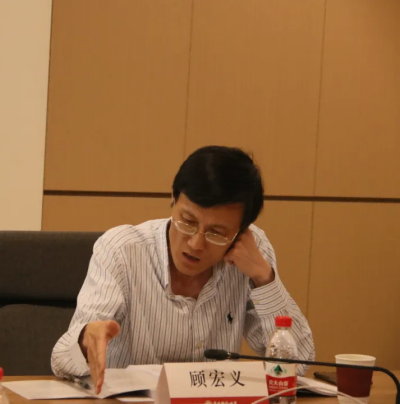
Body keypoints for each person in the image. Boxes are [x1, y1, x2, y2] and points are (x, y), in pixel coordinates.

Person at [50, 145, 315, 393]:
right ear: (173, 199)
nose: (196, 243)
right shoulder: (122, 251)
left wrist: (264, 278)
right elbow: (62, 361)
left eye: (216, 233)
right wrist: (85, 340)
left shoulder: (252, 254)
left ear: (240, 234)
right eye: (187, 221)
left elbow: (298, 364)